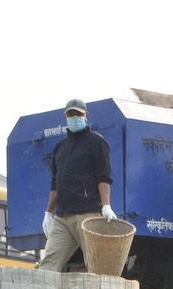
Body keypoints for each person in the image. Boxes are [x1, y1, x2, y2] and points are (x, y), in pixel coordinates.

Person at [38, 98, 116, 272]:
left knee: (96, 266)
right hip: (62, 217)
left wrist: (106, 205)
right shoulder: (60, 147)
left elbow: (103, 177)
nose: (74, 117)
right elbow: (55, 183)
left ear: (86, 115)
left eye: (78, 114)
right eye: (70, 114)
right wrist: (48, 212)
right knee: (47, 266)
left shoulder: (96, 142)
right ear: (65, 116)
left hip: (87, 215)